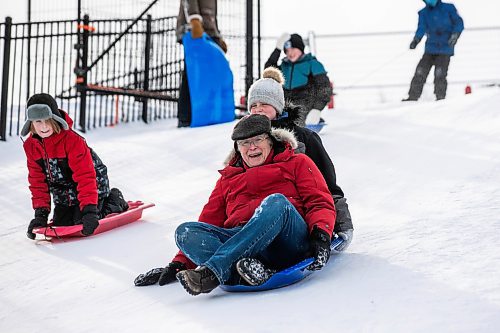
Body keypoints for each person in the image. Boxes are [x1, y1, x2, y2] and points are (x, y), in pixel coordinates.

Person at [135, 114, 336, 296]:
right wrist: (179, 263)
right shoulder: (228, 179)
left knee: (276, 202)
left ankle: (213, 273)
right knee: (185, 232)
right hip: (244, 246)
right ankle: (249, 270)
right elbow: (209, 219)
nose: (252, 147)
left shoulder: (297, 162)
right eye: (245, 143)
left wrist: (321, 235)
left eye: (258, 140)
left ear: (271, 140)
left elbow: (319, 201)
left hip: (287, 241)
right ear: (237, 149)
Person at [248, 67, 353, 246]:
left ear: (277, 106)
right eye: (253, 106)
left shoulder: (304, 138)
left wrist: (341, 223)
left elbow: (326, 184)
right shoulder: (245, 144)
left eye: (264, 104)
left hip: (298, 216)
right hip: (257, 219)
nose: (258, 110)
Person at [22, 93, 129, 239]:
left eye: (48, 120)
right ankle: (79, 210)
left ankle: (114, 200)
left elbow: (85, 176)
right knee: (62, 223)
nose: (44, 126)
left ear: (55, 119)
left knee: (82, 221)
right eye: (38, 121)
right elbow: (37, 182)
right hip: (64, 195)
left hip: (93, 186)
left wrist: (90, 210)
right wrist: (40, 215)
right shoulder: (31, 147)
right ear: (31, 123)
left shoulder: (72, 141)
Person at [176, 0, 227, 127]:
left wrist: (217, 35)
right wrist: (194, 20)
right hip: (194, 29)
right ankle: (186, 116)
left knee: (209, 75)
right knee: (193, 74)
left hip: (208, 32)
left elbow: (212, 15)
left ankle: (207, 113)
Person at [264, 33, 332, 126]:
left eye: (293, 49)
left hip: (305, 109)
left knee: (295, 125)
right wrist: (277, 49)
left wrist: (317, 109)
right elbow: (268, 71)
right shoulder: (284, 66)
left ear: (300, 48)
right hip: (285, 108)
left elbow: (325, 88)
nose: (290, 53)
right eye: (287, 51)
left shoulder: (312, 64)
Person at [403, 0, 464, 101]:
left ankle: (440, 98)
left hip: (445, 48)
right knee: (420, 72)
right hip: (430, 49)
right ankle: (412, 97)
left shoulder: (449, 8)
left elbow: (458, 23)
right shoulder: (423, 13)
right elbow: (421, 28)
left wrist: (455, 35)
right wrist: (416, 40)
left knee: (439, 74)